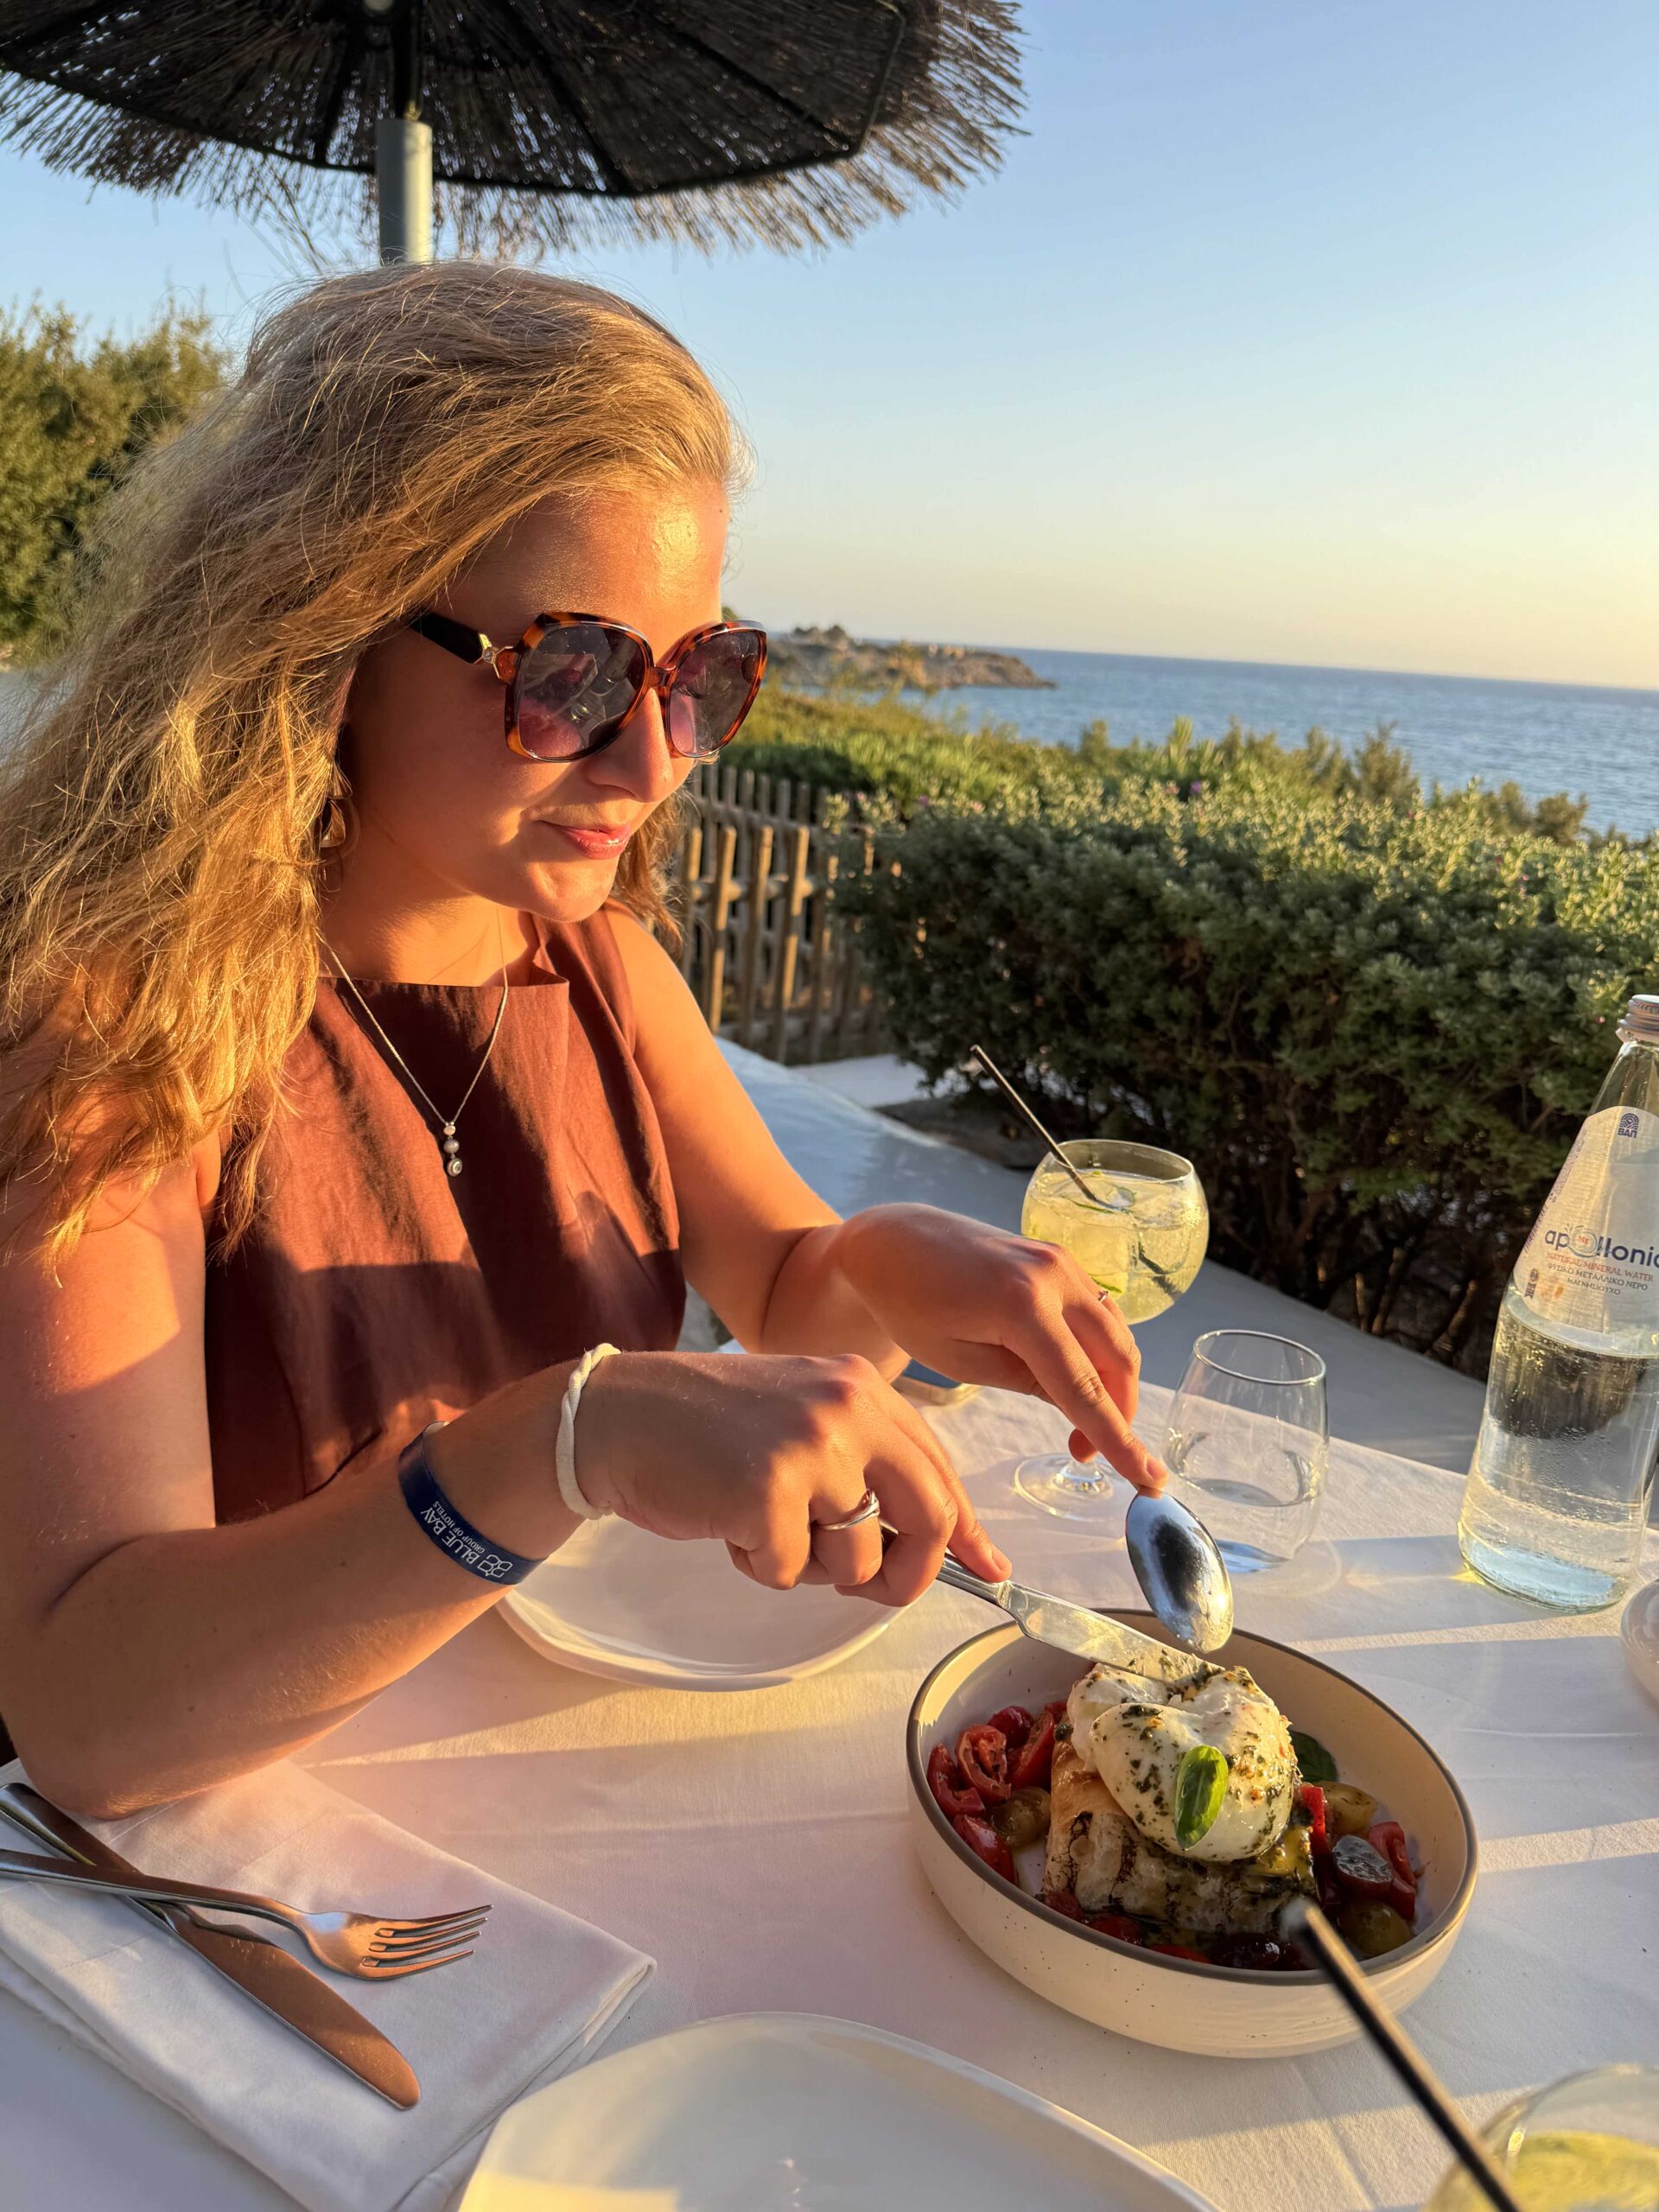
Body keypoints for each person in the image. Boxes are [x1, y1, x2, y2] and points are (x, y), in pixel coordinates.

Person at [0, 263, 1158, 1818]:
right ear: (320, 638)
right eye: (573, 673)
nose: (656, 760)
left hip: (559, 1799)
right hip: (249, 1878)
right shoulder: (119, 1028)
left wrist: (889, 1265)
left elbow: (783, 1289)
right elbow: (86, 1717)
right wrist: (561, 1445)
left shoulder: (602, 971)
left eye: (699, 676)